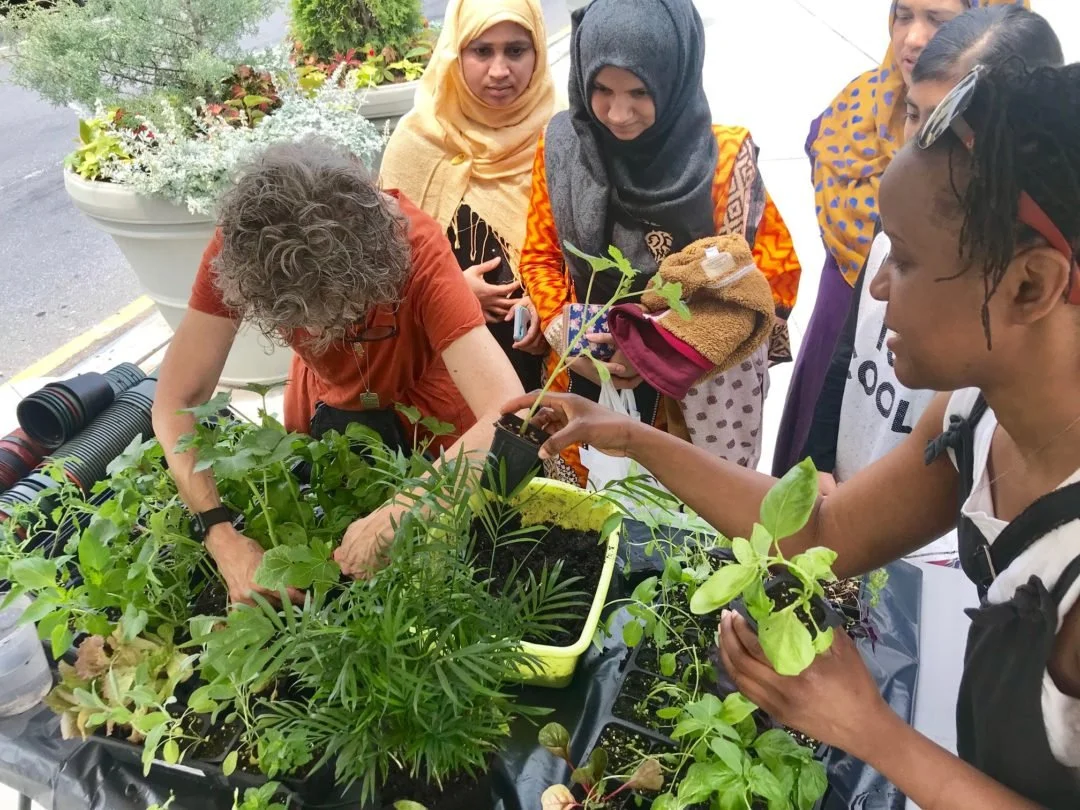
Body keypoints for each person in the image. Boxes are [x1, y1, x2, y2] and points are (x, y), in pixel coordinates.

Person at [504, 58, 1080, 808]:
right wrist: (631, 437)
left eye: (902, 259)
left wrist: (870, 730)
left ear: (1030, 285)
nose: (873, 288)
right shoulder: (973, 410)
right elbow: (825, 530)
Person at [152, 139, 525, 602]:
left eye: (341, 317)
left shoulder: (413, 246)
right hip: (327, 408)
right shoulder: (249, 243)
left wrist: (406, 507)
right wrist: (219, 532)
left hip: (432, 418)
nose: (316, 333)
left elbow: (511, 413)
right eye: (300, 321)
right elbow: (175, 400)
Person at [519, 0, 801, 485]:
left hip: (688, 403)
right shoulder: (562, 148)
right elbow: (541, 255)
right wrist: (567, 335)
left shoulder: (724, 162)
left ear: (675, 79)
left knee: (673, 538)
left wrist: (659, 352)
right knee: (587, 526)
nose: (618, 113)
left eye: (640, 92)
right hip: (584, 378)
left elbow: (774, 280)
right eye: (601, 90)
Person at [803, 5, 1063, 503]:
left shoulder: (1015, 331)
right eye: (914, 115)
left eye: (946, 129)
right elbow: (848, 357)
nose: (917, 149)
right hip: (846, 491)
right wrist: (813, 463)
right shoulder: (899, 220)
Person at [380, 0, 556, 391]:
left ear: (538, 52)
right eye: (481, 51)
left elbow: (590, 243)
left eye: (515, 50)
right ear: (454, 52)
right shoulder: (418, 139)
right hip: (447, 360)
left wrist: (551, 303)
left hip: (547, 355)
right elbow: (384, 265)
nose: (499, 71)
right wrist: (454, 295)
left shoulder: (562, 132)